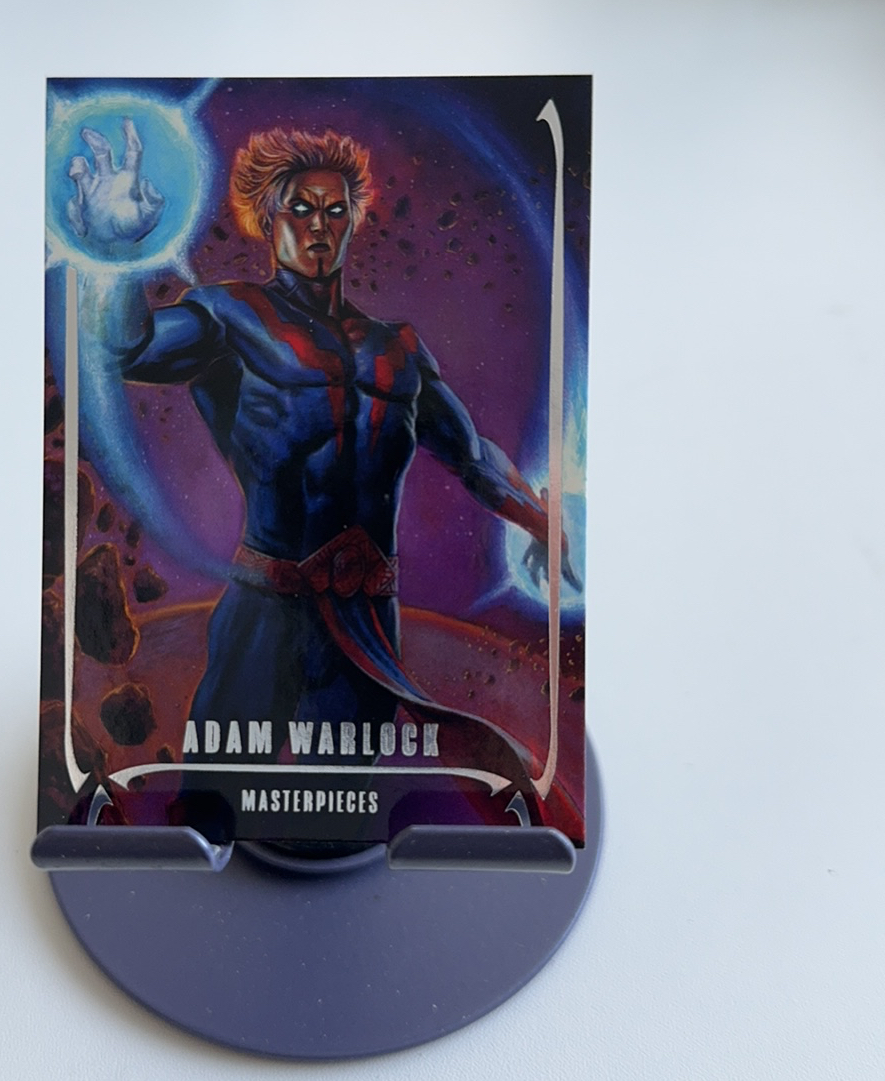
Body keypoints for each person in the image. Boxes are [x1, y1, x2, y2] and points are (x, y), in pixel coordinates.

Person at [70, 123, 577, 837]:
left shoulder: (397, 350)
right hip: (266, 609)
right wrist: (117, 253)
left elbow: (471, 454)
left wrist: (539, 520)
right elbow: (130, 349)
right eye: (301, 209)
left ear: (353, 222)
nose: (318, 226)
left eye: (335, 211)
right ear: (266, 218)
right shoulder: (231, 316)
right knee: (211, 806)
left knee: (336, 814)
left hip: (367, 619)